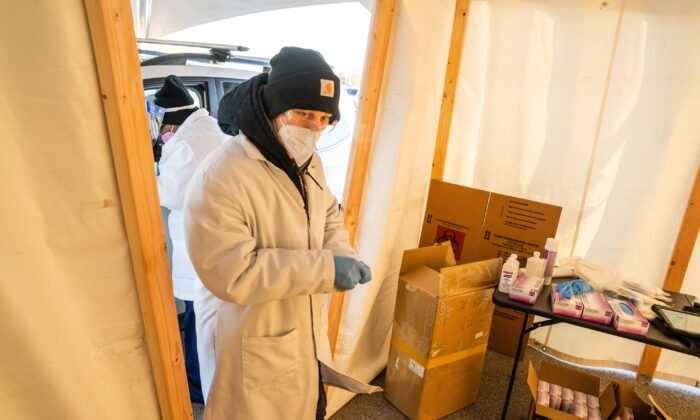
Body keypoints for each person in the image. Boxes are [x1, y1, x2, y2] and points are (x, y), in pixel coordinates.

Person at [184, 47, 380, 419]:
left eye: (325, 118)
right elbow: (233, 273)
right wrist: (326, 270)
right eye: (304, 114)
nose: (314, 128)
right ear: (273, 109)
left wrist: (343, 255)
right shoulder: (223, 176)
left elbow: (328, 218)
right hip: (249, 342)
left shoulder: (309, 162)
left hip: (301, 335)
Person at [154, 75, 229, 405]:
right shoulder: (208, 129)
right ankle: (202, 379)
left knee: (199, 318)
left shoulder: (185, 143)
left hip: (198, 240)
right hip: (214, 237)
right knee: (203, 316)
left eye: (161, 124)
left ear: (172, 120)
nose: (161, 132)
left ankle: (197, 389)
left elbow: (171, 193)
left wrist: (148, 174)